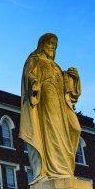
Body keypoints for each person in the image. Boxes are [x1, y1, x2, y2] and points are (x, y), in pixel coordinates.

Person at [19, 33, 81, 181]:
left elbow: (70, 92)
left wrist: (74, 78)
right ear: (42, 44)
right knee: (52, 130)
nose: (53, 46)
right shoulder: (34, 60)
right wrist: (34, 82)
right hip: (46, 98)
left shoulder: (56, 66)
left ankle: (64, 170)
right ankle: (54, 170)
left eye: (55, 44)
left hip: (60, 103)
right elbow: (29, 75)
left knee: (73, 129)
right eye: (50, 43)